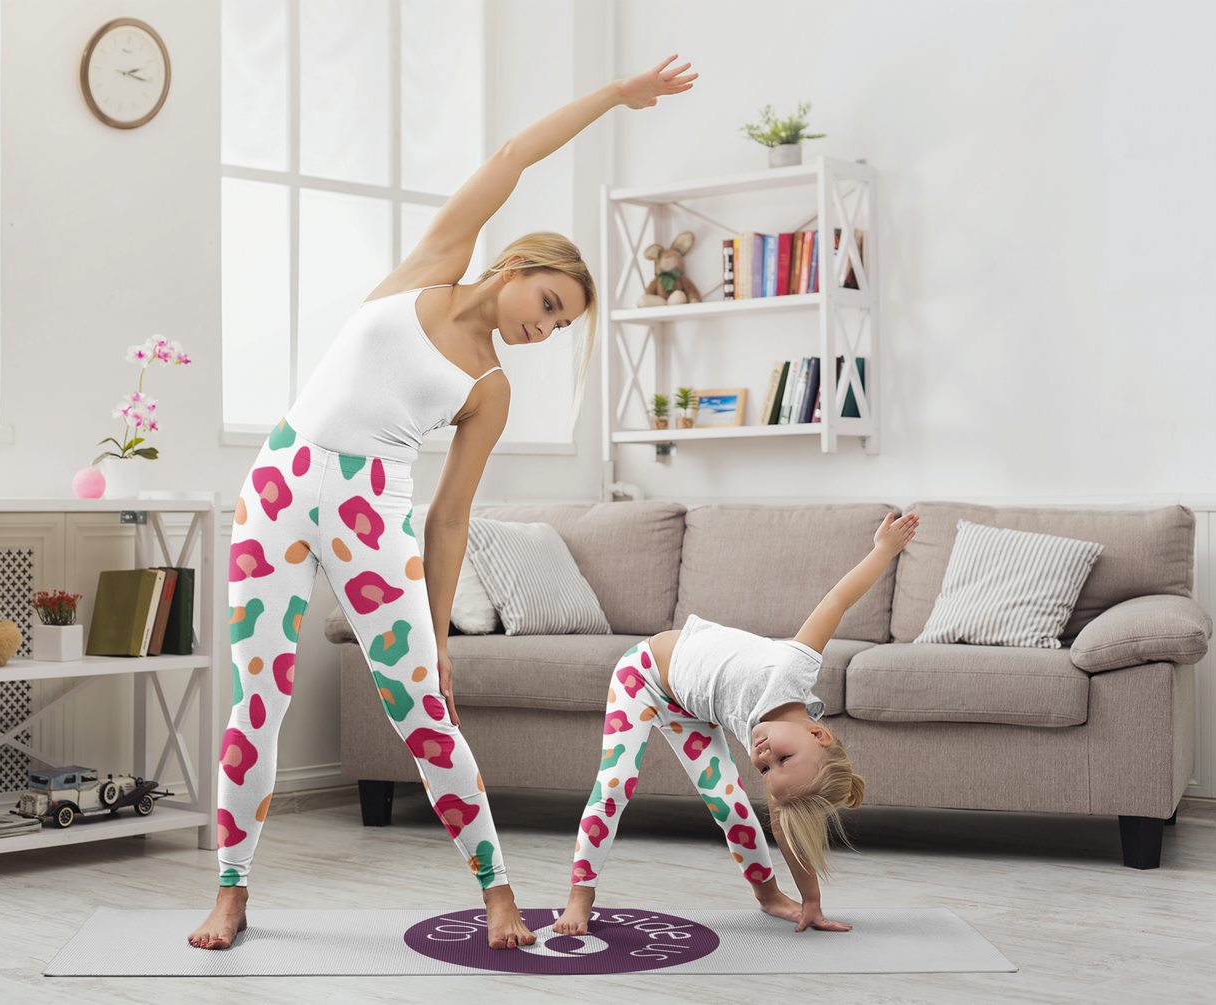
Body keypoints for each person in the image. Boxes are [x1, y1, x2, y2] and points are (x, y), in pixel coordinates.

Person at [189, 56, 700, 951]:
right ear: (514, 266)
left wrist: (436, 633)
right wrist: (614, 96)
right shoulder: (431, 264)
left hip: (367, 514)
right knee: (251, 704)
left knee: (423, 712)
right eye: (545, 303)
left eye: (557, 325)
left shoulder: (490, 387)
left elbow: (450, 516)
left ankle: (497, 888)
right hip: (276, 483)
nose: (541, 328)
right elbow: (512, 154)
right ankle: (231, 889)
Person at [554, 512, 920, 937]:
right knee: (615, 783)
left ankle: (768, 895)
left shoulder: (781, 745)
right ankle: (581, 894)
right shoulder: (792, 671)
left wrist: (812, 900)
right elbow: (835, 601)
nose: (764, 760)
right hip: (642, 674)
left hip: (690, 709)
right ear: (818, 733)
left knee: (732, 806)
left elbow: (787, 826)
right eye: (782, 758)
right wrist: (883, 551)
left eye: (767, 770)